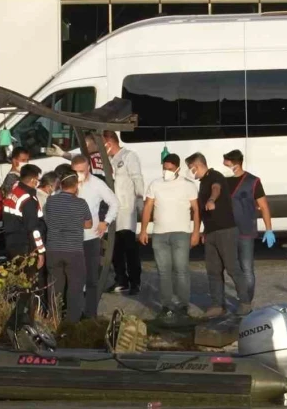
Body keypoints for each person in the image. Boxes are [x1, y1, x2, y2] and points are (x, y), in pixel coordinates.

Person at [185, 152, 251, 317]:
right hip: (211, 233)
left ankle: (245, 302)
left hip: (225, 230)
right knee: (213, 270)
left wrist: (212, 200)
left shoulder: (215, 176)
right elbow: (199, 212)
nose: (190, 172)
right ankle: (217, 305)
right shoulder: (202, 183)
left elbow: (217, 189)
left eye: (190, 168)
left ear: (197, 166)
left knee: (232, 267)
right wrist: (201, 232)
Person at [138, 153, 200, 321]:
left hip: (181, 233)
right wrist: (143, 230)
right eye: (164, 168)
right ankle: (166, 306)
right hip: (159, 234)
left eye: (170, 169)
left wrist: (196, 232)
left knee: (181, 270)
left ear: (178, 168)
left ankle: (183, 305)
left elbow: (196, 210)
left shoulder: (188, 185)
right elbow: (148, 208)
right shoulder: (155, 184)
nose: (166, 171)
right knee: (163, 272)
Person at [222, 149, 276, 302]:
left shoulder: (253, 181)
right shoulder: (223, 181)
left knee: (246, 269)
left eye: (226, 164)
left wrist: (269, 229)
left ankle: (246, 301)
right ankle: (240, 296)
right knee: (232, 268)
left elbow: (264, 206)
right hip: (227, 231)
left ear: (235, 164)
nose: (223, 167)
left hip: (246, 231)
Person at [71, 155, 119, 318]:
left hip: (91, 237)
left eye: (81, 171)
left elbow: (114, 202)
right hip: (72, 237)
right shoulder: (68, 183)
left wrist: (106, 222)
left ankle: (91, 314)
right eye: (75, 171)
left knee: (92, 278)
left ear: (88, 169)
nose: (79, 175)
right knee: (74, 278)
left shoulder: (97, 185)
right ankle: (73, 314)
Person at [44, 164, 93, 323]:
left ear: (61, 184)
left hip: (53, 250)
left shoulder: (50, 201)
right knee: (75, 287)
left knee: (54, 286)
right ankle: (72, 321)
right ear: (76, 185)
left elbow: (47, 219)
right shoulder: (81, 203)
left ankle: (54, 318)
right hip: (74, 251)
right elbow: (88, 224)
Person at [103, 130, 144, 295]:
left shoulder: (129, 156)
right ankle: (121, 280)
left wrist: (140, 199)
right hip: (112, 209)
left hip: (126, 208)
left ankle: (135, 282)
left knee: (129, 247)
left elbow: (137, 178)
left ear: (109, 142)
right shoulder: (108, 159)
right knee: (115, 248)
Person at [3, 164, 46, 275]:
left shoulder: (15, 190)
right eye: (38, 180)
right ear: (32, 180)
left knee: (16, 278)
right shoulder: (28, 199)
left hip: (11, 243)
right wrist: (40, 251)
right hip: (25, 247)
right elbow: (33, 229)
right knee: (28, 280)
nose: (38, 183)